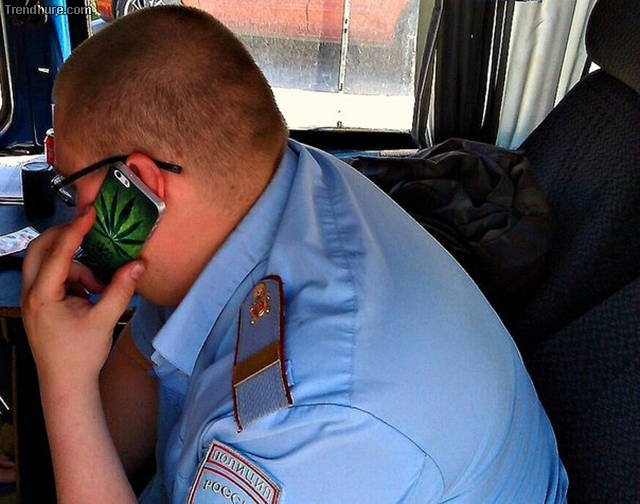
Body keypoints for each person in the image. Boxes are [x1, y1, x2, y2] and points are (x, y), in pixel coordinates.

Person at [21, 6, 568, 503]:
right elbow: (140, 373)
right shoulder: (257, 195)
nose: (75, 223)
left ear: (141, 184)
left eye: (73, 191)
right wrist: (75, 381)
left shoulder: (309, 410)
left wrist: (63, 382)